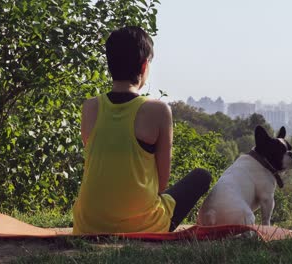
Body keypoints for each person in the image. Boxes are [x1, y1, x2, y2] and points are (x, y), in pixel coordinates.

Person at [72, 26, 212, 234]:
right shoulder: (158, 110)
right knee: (202, 176)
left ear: (110, 64)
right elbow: (162, 183)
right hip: (142, 227)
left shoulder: (90, 107)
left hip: (88, 225)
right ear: (144, 65)